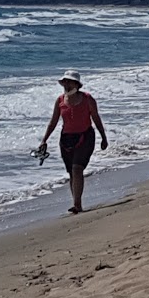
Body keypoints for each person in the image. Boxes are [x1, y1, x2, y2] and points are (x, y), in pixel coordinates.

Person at [38, 70, 108, 214]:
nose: (66, 84)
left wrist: (103, 137)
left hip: (85, 137)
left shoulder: (87, 99)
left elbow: (96, 118)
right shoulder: (60, 100)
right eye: (64, 82)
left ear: (76, 84)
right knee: (71, 172)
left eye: (69, 82)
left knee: (77, 168)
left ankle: (77, 204)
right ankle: (76, 202)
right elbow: (53, 122)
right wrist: (44, 140)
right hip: (66, 140)